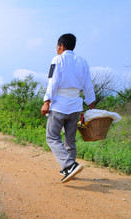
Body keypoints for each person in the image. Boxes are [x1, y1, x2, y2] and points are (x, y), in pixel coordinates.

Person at [41, 33, 96, 183]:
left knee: (52, 137)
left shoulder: (57, 60)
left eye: (57, 47)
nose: (56, 49)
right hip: (75, 107)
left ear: (61, 46)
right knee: (69, 140)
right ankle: (69, 169)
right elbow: (88, 85)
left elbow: (53, 82)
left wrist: (47, 101)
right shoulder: (83, 62)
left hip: (59, 105)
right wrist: (91, 106)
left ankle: (70, 165)